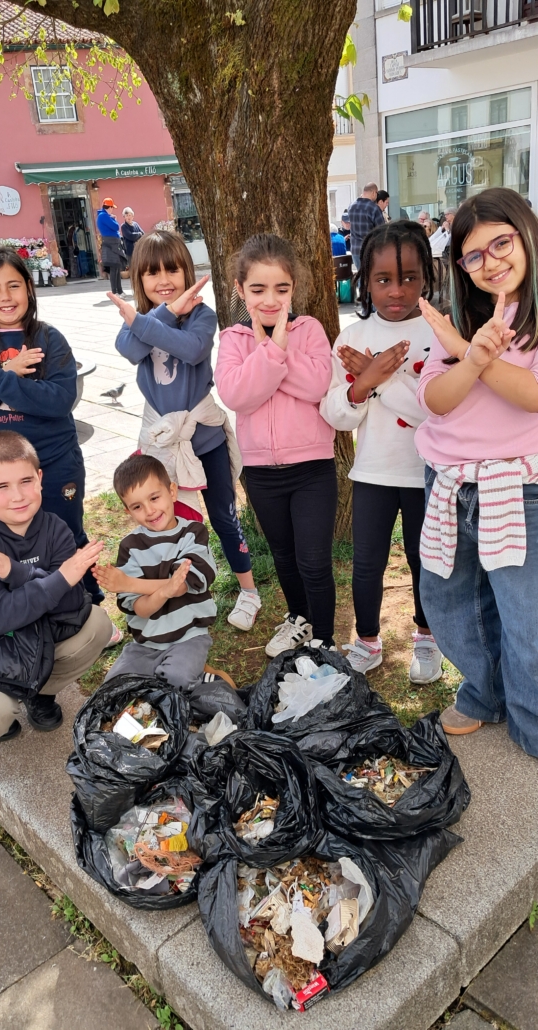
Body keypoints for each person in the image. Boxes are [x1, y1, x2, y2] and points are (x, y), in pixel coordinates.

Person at [416, 187, 538, 756]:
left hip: (519, 487)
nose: (491, 261)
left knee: (525, 619)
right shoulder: (457, 323)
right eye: (475, 255)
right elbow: (437, 399)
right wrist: (468, 354)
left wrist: (478, 356)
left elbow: (534, 396)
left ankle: (531, 720)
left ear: (527, 234)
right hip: (447, 486)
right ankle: (485, 693)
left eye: (501, 243)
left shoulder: (529, 321)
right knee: (449, 600)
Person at [109, 230, 261, 632]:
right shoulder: (136, 324)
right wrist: (163, 312)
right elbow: (129, 350)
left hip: (203, 439)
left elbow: (193, 350)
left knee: (224, 516)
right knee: (169, 518)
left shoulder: (203, 315)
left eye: (172, 269)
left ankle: (248, 590)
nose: (163, 279)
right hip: (161, 445)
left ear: (187, 271)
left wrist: (169, 314)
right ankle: (177, 586)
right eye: (152, 273)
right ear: (137, 279)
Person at [0, 246, 113, 611]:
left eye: (14, 285)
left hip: (57, 464)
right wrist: (6, 374)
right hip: (4, 471)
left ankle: (87, 605)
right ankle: (39, 602)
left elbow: (58, 400)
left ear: (29, 287)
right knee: (18, 541)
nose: (5, 296)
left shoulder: (49, 339)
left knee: (66, 533)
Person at [321, 221, 442, 683]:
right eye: (384, 280)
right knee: (366, 561)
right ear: (365, 281)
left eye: (409, 277)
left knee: (423, 558)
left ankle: (427, 638)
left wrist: (378, 380)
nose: (397, 290)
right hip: (371, 472)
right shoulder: (351, 337)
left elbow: (433, 414)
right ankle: (367, 640)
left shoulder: (438, 334)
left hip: (426, 472)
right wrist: (361, 386)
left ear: (425, 277)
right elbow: (337, 415)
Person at [215, 233, 337, 656]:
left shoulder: (310, 330)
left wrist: (276, 349)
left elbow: (317, 384)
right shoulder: (233, 338)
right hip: (262, 473)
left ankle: (323, 640)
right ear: (239, 290)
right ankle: (298, 618)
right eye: (258, 289)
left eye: (281, 289)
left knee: (315, 561)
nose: (271, 300)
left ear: (294, 289)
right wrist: (271, 352)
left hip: (312, 469)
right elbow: (236, 394)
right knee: (284, 555)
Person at [0, 432, 112, 744]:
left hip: (30, 638)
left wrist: (16, 573)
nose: (18, 496)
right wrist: (59, 578)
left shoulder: (56, 528)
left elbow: (72, 603)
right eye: (2, 486)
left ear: (40, 478)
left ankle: (39, 692)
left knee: (98, 624)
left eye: (26, 481)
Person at [94, 453, 218, 687]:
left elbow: (182, 586)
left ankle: (206, 680)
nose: (149, 511)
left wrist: (128, 584)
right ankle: (193, 674)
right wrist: (164, 590)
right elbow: (141, 608)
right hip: (145, 643)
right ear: (128, 512)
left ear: (172, 491)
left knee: (174, 681)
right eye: (137, 506)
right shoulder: (130, 547)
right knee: (115, 687)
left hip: (189, 637)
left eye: (154, 498)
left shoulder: (193, 533)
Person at [347, 183, 385, 269]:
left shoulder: (351, 206)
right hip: (370, 249)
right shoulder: (374, 208)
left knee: (361, 277)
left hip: (355, 249)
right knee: (371, 277)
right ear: (373, 193)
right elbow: (382, 231)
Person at [96, 197, 125, 297]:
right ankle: (115, 292)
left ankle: (119, 291)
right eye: (112, 207)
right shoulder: (103, 216)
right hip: (111, 243)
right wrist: (114, 219)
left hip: (112, 243)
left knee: (116, 267)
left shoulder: (103, 216)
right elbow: (116, 227)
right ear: (109, 207)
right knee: (114, 268)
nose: (113, 210)